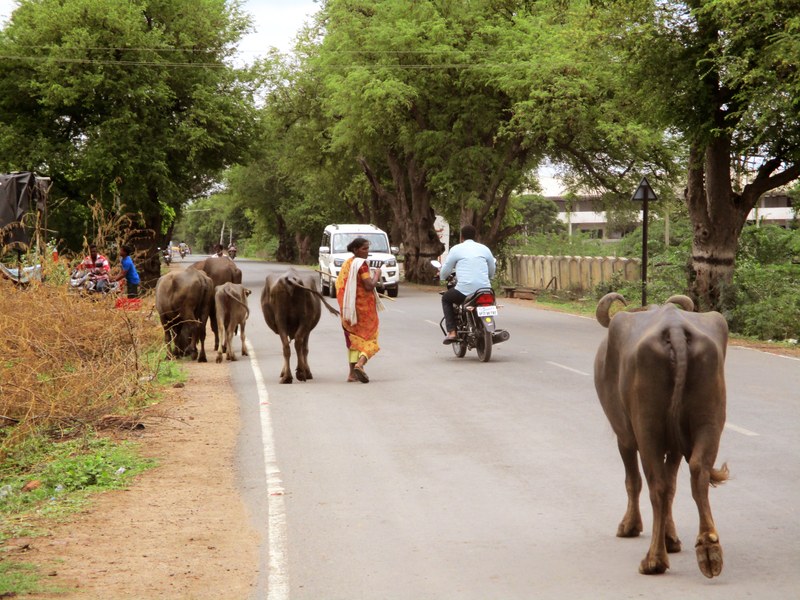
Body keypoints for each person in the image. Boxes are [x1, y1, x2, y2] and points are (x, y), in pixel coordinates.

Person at [335, 237, 385, 383]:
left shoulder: (348, 264)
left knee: (353, 341)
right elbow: (369, 285)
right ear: (355, 250)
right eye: (364, 248)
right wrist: (377, 274)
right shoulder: (361, 265)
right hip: (363, 311)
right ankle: (360, 364)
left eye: (368, 248)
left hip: (348, 310)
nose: (367, 251)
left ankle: (351, 374)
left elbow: (340, 285)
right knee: (371, 339)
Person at [439, 224, 496, 344]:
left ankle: (452, 332)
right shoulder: (484, 249)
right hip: (485, 290)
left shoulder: (456, 249)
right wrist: (489, 278)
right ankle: (490, 329)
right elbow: (492, 268)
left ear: (462, 237)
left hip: (464, 291)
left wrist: (442, 276)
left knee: (446, 299)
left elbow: (446, 269)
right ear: (475, 236)